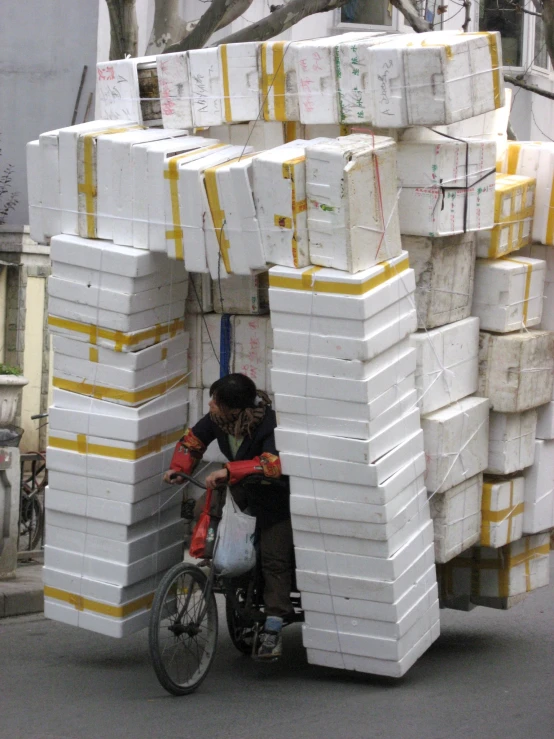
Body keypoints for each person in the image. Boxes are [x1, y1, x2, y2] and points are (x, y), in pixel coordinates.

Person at [163, 373, 294, 661]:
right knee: (203, 511)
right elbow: (193, 442)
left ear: (234, 409)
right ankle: (232, 577)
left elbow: (273, 463)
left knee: (275, 560)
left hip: (274, 500)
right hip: (240, 493)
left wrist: (230, 471)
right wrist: (179, 468)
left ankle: (273, 627)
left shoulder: (268, 423)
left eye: (216, 401)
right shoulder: (217, 420)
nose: (210, 405)